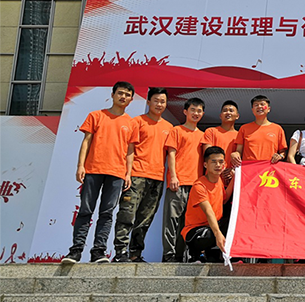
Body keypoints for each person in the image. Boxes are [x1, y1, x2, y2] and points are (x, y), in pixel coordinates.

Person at [61, 81, 138, 264]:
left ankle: (99, 252)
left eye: (127, 95)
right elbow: (86, 142)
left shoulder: (131, 123)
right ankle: (76, 251)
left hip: (117, 173)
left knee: (107, 213)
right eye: (120, 93)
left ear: (131, 99)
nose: (123, 97)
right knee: (85, 211)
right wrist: (80, 166)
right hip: (93, 169)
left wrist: (128, 174)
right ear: (112, 95)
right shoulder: (96, 116)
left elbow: (130, 151)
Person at [113, 87, 172, 263]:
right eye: (156, 100)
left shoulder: (169, 127)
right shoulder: (137, 122)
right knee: (127, 215)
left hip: (157, 178)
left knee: (145, 218)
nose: (159, 104)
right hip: (136, 176)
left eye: (162, 101)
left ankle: (135, 253)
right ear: (148, 102)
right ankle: (120, 252)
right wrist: (127, 173)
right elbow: (128, 149)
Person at [162, 98, 205, 263]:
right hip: (178, 182)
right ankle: (169, 255)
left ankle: (181, 256)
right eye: (193, 110)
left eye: (199, 111)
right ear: (185, 111)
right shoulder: (176, 130)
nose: (196, 113)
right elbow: (171, 154)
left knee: (188, 223)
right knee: (171, 221)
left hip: (196, 185)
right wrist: (173, 176)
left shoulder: (203, 136)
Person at [182, 146, 235, 263]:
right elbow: (208, 211)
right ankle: (193, 252)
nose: (218, 165)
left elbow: (224, 199)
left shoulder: (218, 180)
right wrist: (218, 234)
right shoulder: (199, 186)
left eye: (221, 162)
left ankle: (212, 253)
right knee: (210, 234)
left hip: (212, 227)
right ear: (205, 165)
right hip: (196, 231)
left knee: (233, 224)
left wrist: (234, 178)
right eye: (214, 162)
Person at [231, 95, 287, 166]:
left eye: (262, 104)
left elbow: (283, 152)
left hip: (269, 169)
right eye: (256, 105)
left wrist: (280, 156)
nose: (259, 106)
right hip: (249, 168)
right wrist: (235, 154)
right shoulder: (244, 128)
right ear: (252, 110)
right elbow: (239, 151)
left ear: (268, 109)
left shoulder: (277, 129)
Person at [201, 100, 240, 177]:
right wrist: (221, 168)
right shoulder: (211, 131)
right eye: (225, 110)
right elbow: (207, 154)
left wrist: (233, 170)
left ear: (237, 116)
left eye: (231, 111)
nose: (228, 113)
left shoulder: (240, 135)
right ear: (220, 115)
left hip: (231, 178)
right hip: (212, 177)